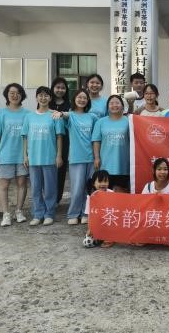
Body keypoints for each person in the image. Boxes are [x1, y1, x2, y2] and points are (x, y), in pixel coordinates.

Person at [53, 89, 98, 225]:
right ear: (74, 99)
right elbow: (65, 115)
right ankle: (73, 213)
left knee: (89, 187)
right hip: (76, 158)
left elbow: (98, 135)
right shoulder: (71, 115)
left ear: (88, 101)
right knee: (77, 188)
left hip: (91, 157)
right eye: (79, 97)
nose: (82, 100)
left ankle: (86, 213)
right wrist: (60, 113)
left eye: (85, 98)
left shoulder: (92, 117)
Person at [22, 86, 65, 226]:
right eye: (40, 95)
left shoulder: (55, 115)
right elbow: (25, 137)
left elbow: (59, 137)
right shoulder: (29, 116)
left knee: (50, 188)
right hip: (34, 158)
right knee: (35, 188)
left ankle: (49, 214)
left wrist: (59, 155)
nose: (43, 98)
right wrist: (25, 156)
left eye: (46, 95)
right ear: (36, 97)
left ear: (50, 98)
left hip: (49, 158)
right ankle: (38, 214)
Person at [0, 83, 30, 226]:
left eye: (18, 92)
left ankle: (19, 211)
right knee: (3, 185)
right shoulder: (0, 114)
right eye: (12, 92)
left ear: (22, 95)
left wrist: (28, 154)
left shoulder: (28, 114)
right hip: (5, 154)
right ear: (7, 95)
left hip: (22, 155)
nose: (15, 95)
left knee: (22, 183)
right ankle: (6, 213)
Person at [92, 95, 130, 193]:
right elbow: (96, 141)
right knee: (105, 194)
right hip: (105, 164)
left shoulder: (129, 121)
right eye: (111, 103)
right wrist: (96, 158)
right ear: (107, 106)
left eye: (117, 103)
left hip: (123, 164)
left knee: (121, 194)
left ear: (122, 106)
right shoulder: (100, 122)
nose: (114, 105)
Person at [49, 77, 70, 204]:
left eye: (63, 88)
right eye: (57, 87)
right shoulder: (47, 102)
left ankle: (57, 199)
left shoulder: (69, 104)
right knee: (48, 169)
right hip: (48, 140)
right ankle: (48, 197)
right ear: (53, 88)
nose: (60, 90)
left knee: (60, 169)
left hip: (65, 140)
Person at [84, 170, 115, 248]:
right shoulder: (91, 197)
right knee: (88, 241)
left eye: (105, 181)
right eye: (100, 181)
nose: (103, 184)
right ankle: (98, 236)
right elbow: (90, 215)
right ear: (93, 183)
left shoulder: (112, 194)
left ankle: (110, 238)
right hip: (98, 222)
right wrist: (90, 228)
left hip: (109, 220)